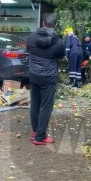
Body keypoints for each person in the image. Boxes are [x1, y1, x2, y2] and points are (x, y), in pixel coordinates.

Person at [26, 14, 65, 145]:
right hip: (48, 78)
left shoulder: (31, 38)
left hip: (33, 75)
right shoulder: (59, 43)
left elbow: (29, 50)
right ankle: (40, 137)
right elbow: (61, 56)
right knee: (46, 107)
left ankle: (35, 131)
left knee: (35, 103)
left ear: (43, 23)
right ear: (56, 24)